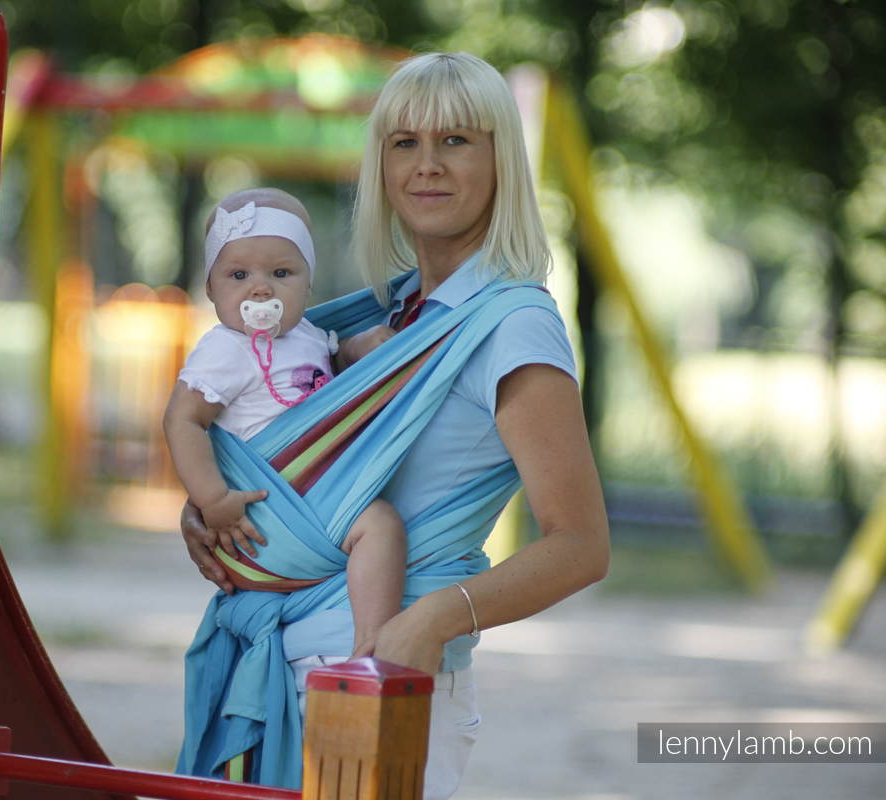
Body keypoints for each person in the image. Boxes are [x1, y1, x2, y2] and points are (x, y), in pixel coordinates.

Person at [180, 52, 610, 799]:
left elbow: (581, 545)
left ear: (501, 158)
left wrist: (431, 622)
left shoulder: (511, 327)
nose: (427, 166)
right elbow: (292, 460)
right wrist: (213, 506)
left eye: (456, 141)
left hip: (383, 674)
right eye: (403, 143)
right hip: (277, 658)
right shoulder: (390, 316)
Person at [164, 186, 407, 660]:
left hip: (316, 486)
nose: (261, 289)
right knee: (380, 526)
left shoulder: (308, 334)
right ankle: (374, 649)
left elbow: (330, 370)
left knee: (380, 528)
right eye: (238, 275)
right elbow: (183, 420)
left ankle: (369, 643)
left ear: (307, 283)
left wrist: (360, 349)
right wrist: (211, 499)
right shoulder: (224, 350)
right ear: (211, 288)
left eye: (281, 273)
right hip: (270, 507)